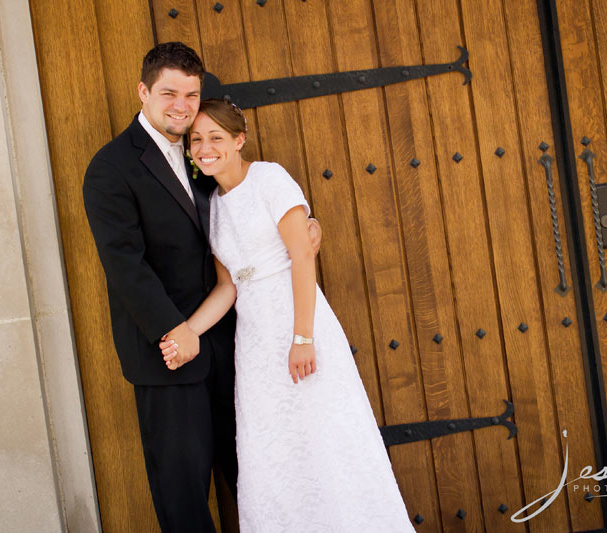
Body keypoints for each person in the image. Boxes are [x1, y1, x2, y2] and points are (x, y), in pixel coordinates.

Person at [83, 42, 320, 532]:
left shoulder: (202, 148)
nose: (181, 105)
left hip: (234, 344)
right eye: (169, 92)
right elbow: (126, 265)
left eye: (191, 94)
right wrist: (176, 333)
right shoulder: (110, 169)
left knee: (255, 476)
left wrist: (302, 229)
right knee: (184, 496)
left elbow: (239, 218)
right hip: (169, 355)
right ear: (143, 92)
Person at [160, 99, 415, 532]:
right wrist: (188, 331)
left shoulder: (269, 179)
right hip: (255, 343)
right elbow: (228, 287)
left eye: (216, 138)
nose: (205, 148)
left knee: (326, 437)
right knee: (275, 450)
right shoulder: (214, 206)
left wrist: (302, 338)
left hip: (299, 324)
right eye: (197, 139)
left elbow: (301, 257)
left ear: (239, 140)